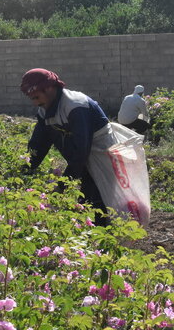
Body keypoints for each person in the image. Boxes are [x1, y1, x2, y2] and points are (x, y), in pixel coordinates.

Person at [20, 68, 110, 225]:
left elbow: (81, 151)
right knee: (85, 203)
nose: (35, 103)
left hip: (102, 156)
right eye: (32, 99)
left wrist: (61, 185)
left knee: (95, 202)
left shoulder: (76, 106)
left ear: (49, 88)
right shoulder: (45, 110)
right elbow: (38, 145)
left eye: (37, 97)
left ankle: (105, 241)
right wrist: (22, 172)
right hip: (82, 159)